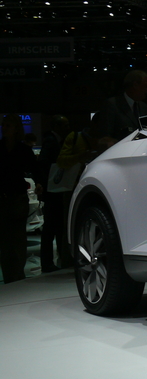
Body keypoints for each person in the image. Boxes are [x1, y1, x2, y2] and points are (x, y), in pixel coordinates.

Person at [1, 114, 40, 284]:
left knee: (16, 239)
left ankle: (16, 276)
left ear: (16, 128)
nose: (4, 128)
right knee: (5, 240)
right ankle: (10, 277)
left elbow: (35, 168)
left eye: (8, 125)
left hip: (17, 197)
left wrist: (39, 182)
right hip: (4, 198)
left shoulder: (22, 149)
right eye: (3, 125)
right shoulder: (5, 147)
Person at [38, 115, 71, 272]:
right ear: (57, 127)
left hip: (53, 190)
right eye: (65, 125)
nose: (67, 128)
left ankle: (53, 260)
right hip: (53, 191)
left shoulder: (54, 141)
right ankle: (49, 262)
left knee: (53, 227)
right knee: (52, 227)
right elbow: (44, 164)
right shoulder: (51, 142)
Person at [92, 69, 147, 143]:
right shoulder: (112, 105)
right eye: (146, 86)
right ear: (135, 85)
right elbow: (105, 136)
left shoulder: (145, 108)